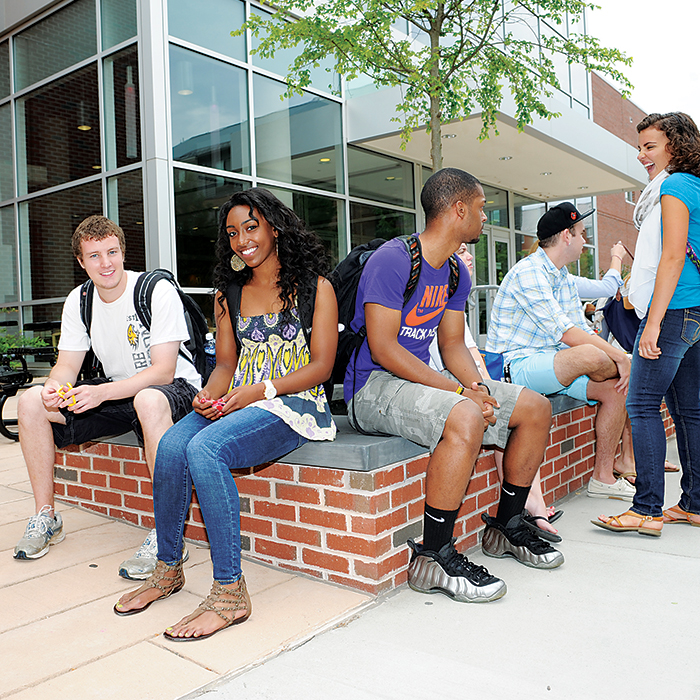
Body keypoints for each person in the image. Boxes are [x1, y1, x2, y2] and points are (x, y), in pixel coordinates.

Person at [114, 188, 338, 640]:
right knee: (175, 443)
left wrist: (262, 389)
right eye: (232, 232)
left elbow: (321, 367)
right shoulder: (228, 293)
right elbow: (224, 366)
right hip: (239, 394)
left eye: (251, 227)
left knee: (206, 449)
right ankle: (168, 567)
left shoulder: (316, 286)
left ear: (275, 227)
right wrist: (207, 396)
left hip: (292, 402)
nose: (242, 240)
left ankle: (230, 590)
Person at [346, 168, 562, 606]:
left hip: (420, 380)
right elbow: (384, 349)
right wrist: (459, 396)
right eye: (482, 209)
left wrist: (478, 388)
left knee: (535, 409)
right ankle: (434, 555)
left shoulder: (454, 275)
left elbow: (450, 345)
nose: (486, 217)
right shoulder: (393, 259)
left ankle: (507, 525)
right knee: (463, 414)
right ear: (459, 209)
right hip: (372, 387)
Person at [13, 216, 201, 573]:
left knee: (146, 398)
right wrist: (55, 387)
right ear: (82, 262)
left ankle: (169, 536)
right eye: (95, 255)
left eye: (112, 252)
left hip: (174, 388)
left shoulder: (154, 289)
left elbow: (162, 370)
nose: (106, 263)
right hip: (119, 391)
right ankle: (46, 517)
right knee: (30, 401)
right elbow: (67, 365)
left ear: (123, 252)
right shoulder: (79, 299)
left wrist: (102, 394)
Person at [594, 112, 700, 536]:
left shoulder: (674, 186)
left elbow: (673, 256)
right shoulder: (696, 185)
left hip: (672, 310)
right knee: (690, 411)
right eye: (639, 147)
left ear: (675, 145)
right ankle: (693, 503)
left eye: (649, 146)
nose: (641, 155)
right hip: (695, 312)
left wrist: (652, 322)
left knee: (640, 405)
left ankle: (646, 509)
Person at [487, 202, 635, 502]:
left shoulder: (562, 277)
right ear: (566, 235)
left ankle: (603, 477)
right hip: (515, 366)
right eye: (581, 234)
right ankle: (628, 369)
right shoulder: (529, 272)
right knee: (595, 356)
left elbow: (580, 326)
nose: (585, 242)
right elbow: (567, 334)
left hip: (554, 363)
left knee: (616, 391)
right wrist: (620, 358)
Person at [429, 244, 562, 541]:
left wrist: (489, 390)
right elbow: (457, 357)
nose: (468, 257)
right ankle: (529, 505)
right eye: (461, 251)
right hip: (438, 383)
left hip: (459, 378)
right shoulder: (438, 291)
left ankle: (522, 508)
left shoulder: (455, 295)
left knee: (523, 407)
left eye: (468, 252)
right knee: (500, 415)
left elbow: (472, 356)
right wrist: (485, 392)